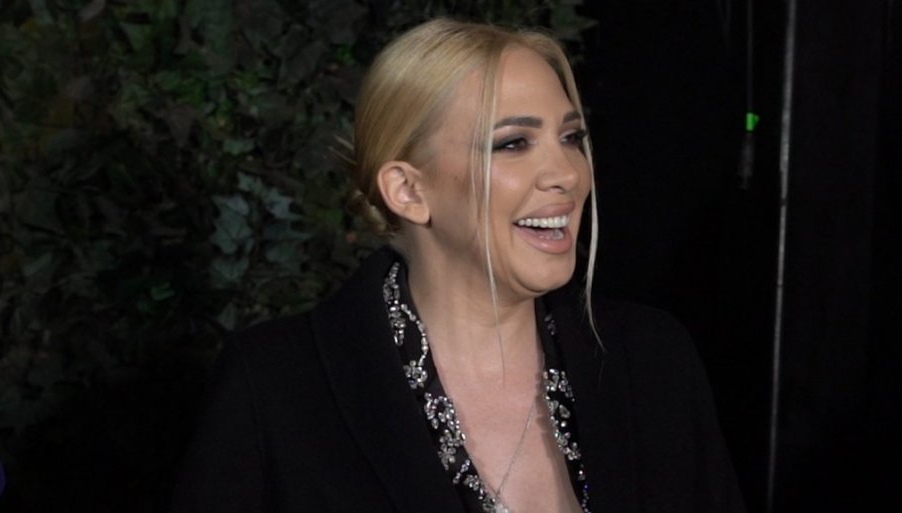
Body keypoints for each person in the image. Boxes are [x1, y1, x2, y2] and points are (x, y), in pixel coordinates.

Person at [171, 18, 747, 513]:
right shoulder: (275, 388)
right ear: (407, 190)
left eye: (572, 137)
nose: (568, 174)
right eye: (513, 143)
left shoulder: (650, 361)